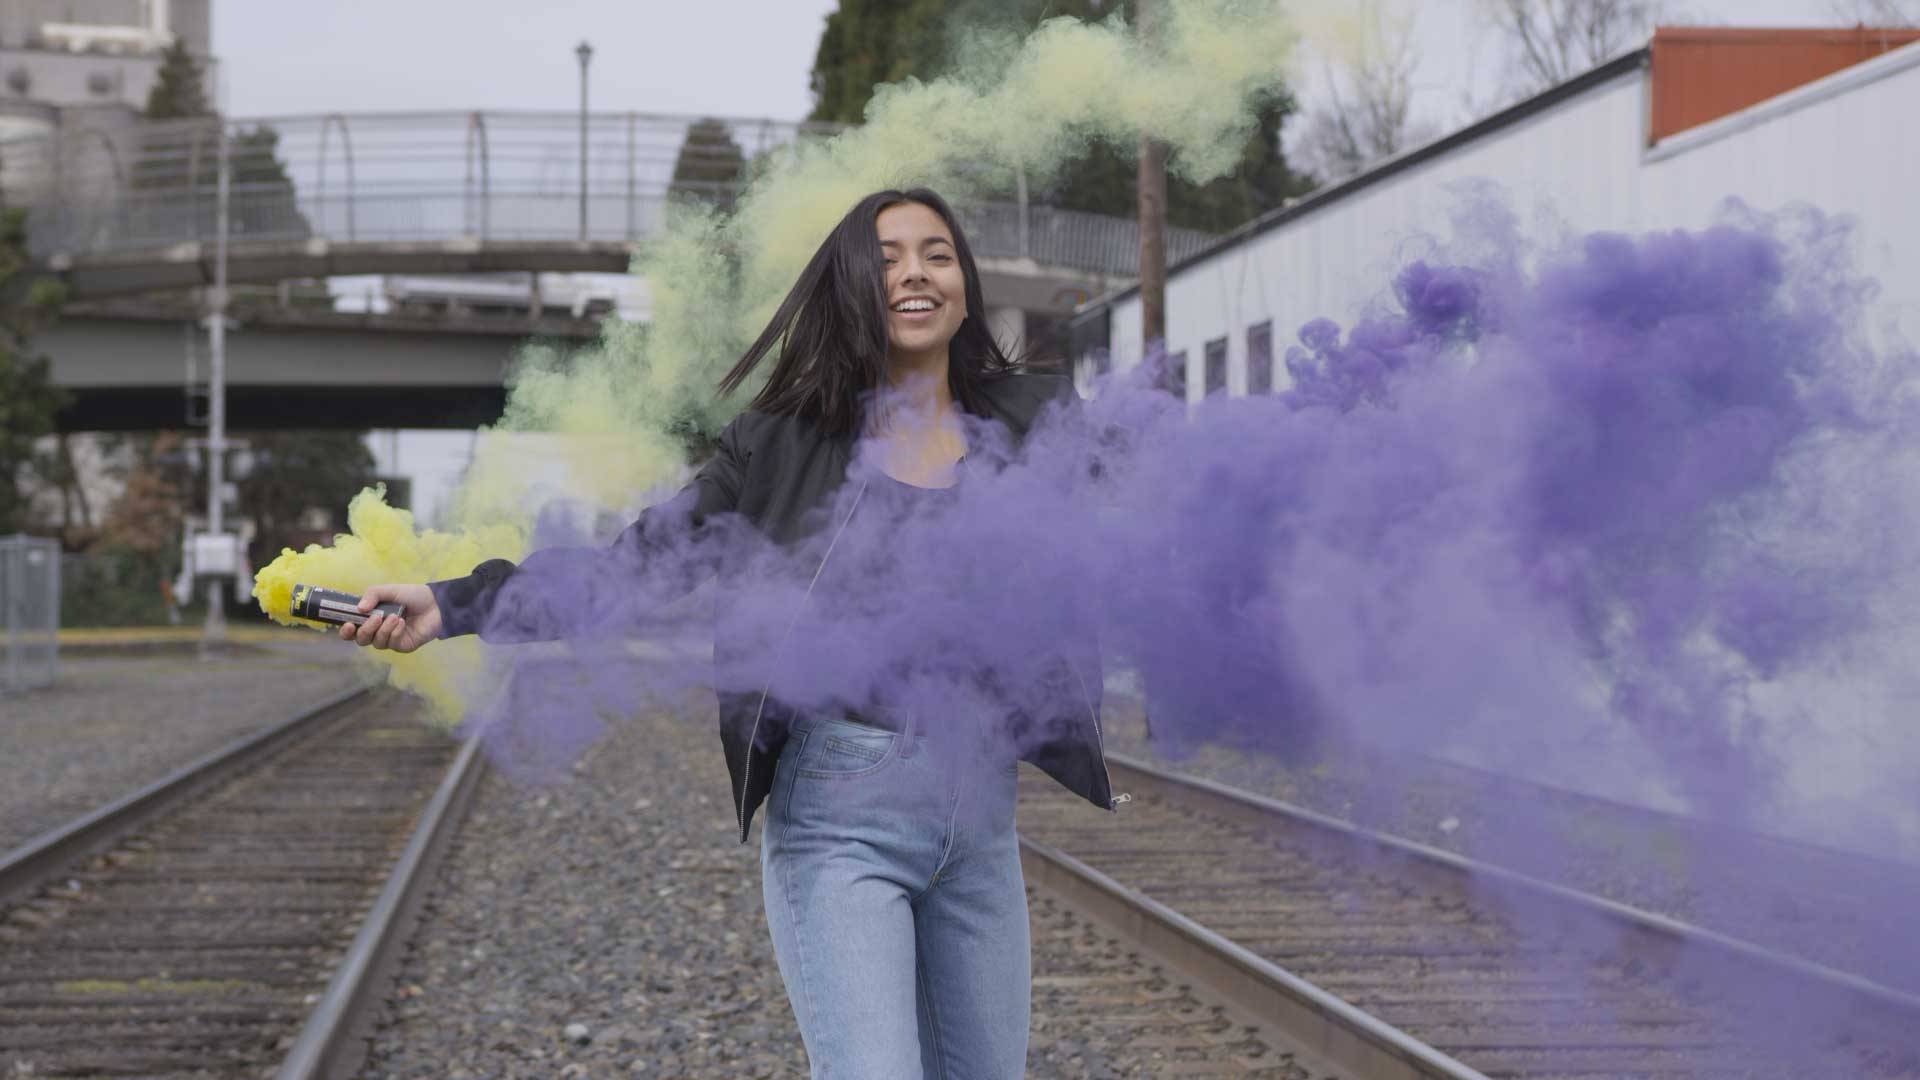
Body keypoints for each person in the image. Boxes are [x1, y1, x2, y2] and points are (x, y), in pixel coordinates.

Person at [342, 188, 1122, 1078]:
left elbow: (1159, 524)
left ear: (966, 285)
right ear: (852, 289)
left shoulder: (1034, 425)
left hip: (981, 815)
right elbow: (639, 567)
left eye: (937, 254)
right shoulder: (778, 446)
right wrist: (455, 604)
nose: (915, 273)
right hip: (843, 822)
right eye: (890, 257)